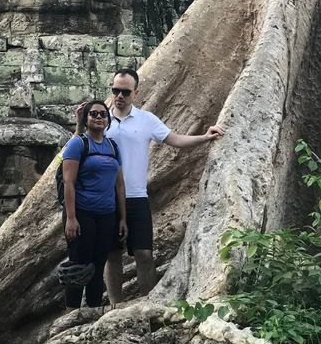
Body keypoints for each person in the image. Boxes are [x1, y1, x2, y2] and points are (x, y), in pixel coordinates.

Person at [75, 69, 224, 304]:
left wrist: (205, 137)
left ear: (136, 92)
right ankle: (115, 306)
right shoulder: (102, 119)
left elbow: (175, 140)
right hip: (105, 198)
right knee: (112, 255)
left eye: (125, 91)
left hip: (136, 196)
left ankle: (148, 304)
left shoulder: (146, 120)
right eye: (115, 90)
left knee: (144, 253)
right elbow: (80, 147)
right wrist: (79, 123)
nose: (120, 95)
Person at [61, 99, 127, 311]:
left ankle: (93, 311)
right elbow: (68, 182)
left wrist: (122, 218)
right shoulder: (78, 144)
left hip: (106, 214)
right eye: (93, 114)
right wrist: (71, 218)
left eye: (103, 114)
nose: (99, 117)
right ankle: (71, 314)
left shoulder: (112, 146)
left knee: (98, 265)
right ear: (86, 119)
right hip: (82, 213)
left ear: (108, 120)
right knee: (79, 264)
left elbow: (119, 185)